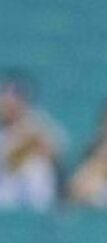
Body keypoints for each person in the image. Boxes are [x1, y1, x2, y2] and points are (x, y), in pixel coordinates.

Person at [0, 72, 67, 210]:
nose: (11, 104)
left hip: (33, 193)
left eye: (17, 99)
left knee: (36, 166)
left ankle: (39, 219)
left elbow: (57, 152)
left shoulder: (38, 123)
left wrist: (31, 139)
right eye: (6, 99)